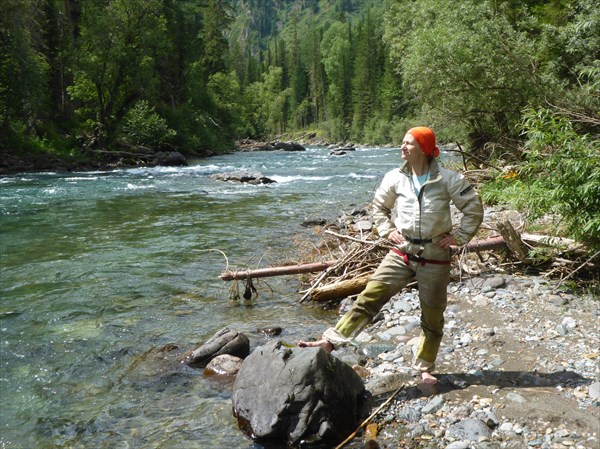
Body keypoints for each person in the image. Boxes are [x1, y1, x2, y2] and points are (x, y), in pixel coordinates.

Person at [299, 126, 484, 384]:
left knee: (432, 315)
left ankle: (424, 366)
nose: (403, 147)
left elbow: (473, 209)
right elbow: (379, 207)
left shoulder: (448, 179)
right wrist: (387, 230)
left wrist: (459, 238)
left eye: (409, 143)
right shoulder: (395, 178)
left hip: (435, 254)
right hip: (402, 251)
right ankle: (331, 341)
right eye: (403, 142)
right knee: (371, 295)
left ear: (424, 149)